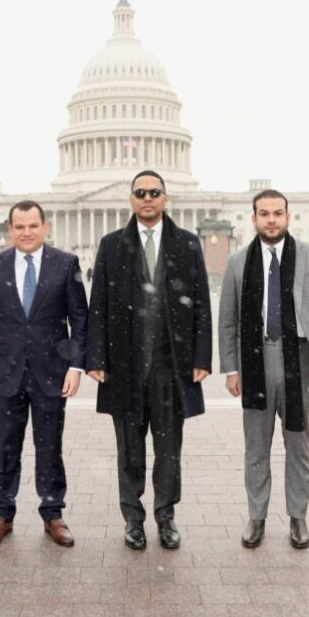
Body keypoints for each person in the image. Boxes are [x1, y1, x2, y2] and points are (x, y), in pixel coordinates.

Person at [86, 171, 212, 550]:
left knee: (169, 450)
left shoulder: (187, 244)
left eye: (154, 193)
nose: (147, 199)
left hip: (171, 366)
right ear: (131, 199)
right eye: (140, 193)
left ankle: (166, 516)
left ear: (165, 198)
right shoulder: (111, 245)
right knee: (129, 450)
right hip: (124, 366)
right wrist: (96, 357)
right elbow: (98, 307)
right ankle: (133, 519)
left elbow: (202, 304)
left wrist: (202, 357)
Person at [218, 189, 309, 549]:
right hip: (255, 361)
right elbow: (228, 320)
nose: (272, 219)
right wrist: (231, 369)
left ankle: (298, 518)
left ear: (288, 217)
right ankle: (257, 517)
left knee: (297, 444)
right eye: (264, 213)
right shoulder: (238, 262)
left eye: (278, 213)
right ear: (252, 219)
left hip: (298, 359)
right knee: (256, 447)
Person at [0, 200, 88, 548]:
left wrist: (76, 365)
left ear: (45, 227)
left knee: (49, 446)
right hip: (4, 372)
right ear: (11, 230)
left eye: (32, 226)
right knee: (5, 446)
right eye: (19, 227)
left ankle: (53, 512)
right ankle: (1, 514)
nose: (26, 232)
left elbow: (79, 319)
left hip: (51, 371)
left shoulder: (65, 264)